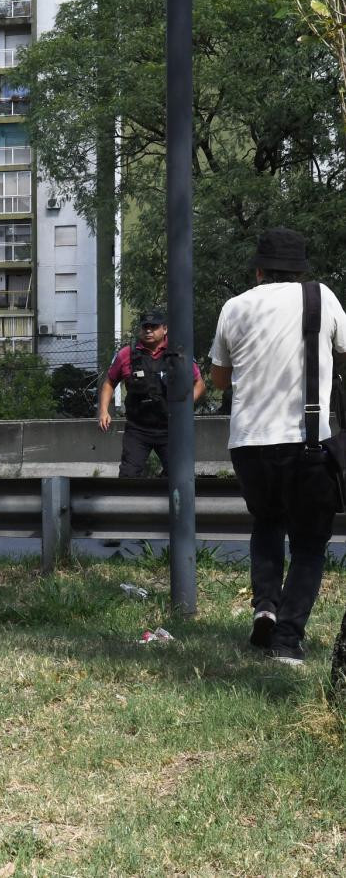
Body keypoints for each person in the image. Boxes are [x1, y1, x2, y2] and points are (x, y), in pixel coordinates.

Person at [210, 227, 346, 666]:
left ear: (259, 270)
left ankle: (265, 606)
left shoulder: (235, 306)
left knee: (266, 523)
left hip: (249, 443)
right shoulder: (321, 298)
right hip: (307, 443)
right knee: (308, 543)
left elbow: (218, 379)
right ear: (303, 268)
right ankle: (287, 640)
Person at [97, 308, 206, 476]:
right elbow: (109, 382)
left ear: (165, 329)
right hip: (138, 429)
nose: (148, 330)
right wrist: (104, 410)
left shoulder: (178, 353)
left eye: (153, 327)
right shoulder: (127, 355)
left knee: (179, 476)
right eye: (145, 326)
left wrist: (186, 405)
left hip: (171, 428)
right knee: (128, 475)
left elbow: (199, 383)